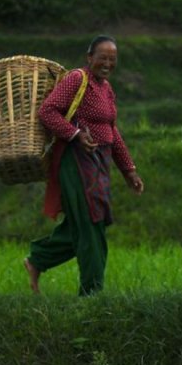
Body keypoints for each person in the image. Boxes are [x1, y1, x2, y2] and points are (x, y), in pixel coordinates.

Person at [24, 35, 144, 296]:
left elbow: (112, 131)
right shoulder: (77, 79)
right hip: (76, 161)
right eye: (102, 57)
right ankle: (92, 294)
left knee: (88, 224)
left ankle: (38, 259)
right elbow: (48, 112)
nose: (108, 63)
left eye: (112, 59)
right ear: (89, 57)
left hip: (99, 162)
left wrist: (129, 170)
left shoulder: (106, 88)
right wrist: (75, 134)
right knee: (91, 223)